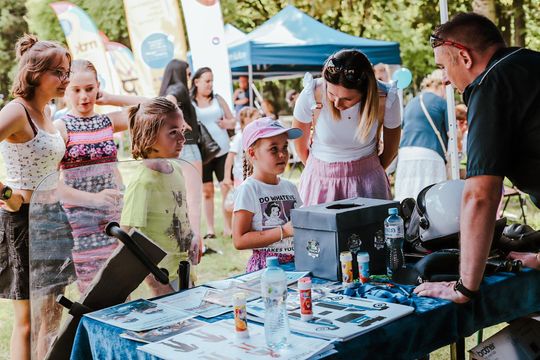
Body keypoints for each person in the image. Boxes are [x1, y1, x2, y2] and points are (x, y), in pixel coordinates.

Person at [414, 13, 540, 303]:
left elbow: (481, 194)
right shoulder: (530, 63)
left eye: (443, 66)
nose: (444, 79)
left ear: (464, 57)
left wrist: (465, 287)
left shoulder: (490, 85)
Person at [0, 34, 71, 360]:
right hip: (23, 220)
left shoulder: (49, 112)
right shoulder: (17, 111)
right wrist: (7, 195)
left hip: (53, 217)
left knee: (52, 313)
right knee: (27, 322)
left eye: (66, 71)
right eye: (58, 72)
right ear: (34, 73)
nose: (65, 79)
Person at [54, 59, 146, 293]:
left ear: (98, 87)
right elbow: (51, 185)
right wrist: (93, 199)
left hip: (114, 217)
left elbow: (155, 106)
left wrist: (111, 98)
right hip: (80, 224)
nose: (84, 96)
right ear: (65, 90)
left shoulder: (108, 121)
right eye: (76, 90)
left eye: (89, 89)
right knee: (93, 292)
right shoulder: (61, 128)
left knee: (121, 285)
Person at [292, 49, 401, 205]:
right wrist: (321, 171)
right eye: (331, 94)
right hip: (320, 181)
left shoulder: (386, 98)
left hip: (368, 181)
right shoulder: (312, 93)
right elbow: (299, 145)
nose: (337, 103)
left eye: (347, 99)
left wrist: (368, 170)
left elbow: (391, 149)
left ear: (366, 92)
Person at [120, 97, 199, 296]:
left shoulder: (177, 169)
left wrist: (192, 237)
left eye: (182, 130)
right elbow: (128, 239)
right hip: (161, 276)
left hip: (183, 270)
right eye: (173, 133)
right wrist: (155, 283)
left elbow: (179, 214)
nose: (182, 139)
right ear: (150, 136)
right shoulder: (143, 182)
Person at [232, 117, 303, 272]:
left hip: (298, 264)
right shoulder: (249, 190)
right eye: (273, 149)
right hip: (266, 269)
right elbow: (239, 239)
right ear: (252, 153)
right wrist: (283, 231)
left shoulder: (290, 187)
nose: (283, 154)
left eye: (285, 147)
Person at [159, 59, 203, 255]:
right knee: (193, 197)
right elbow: (169, 101)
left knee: (178, 198)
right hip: (189, 148)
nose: (189, 78)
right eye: (188, 73)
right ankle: (195, 239)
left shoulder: (170, 87)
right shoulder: (178, 88)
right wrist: (180, 119)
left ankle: (183, 237)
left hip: (175, 149)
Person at [191, 67, 236, 239]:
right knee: (207, 191)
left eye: (212, 81)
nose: (210, 85)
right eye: (207, 81)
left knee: (226, 186)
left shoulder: (218, 99)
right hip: (203, 153)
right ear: (196, 82)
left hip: (223, 150)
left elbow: (233, 121)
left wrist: (227, 124)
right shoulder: (191, 103)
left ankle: (228, 227)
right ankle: (210, 229)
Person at [394, 70, 448, 201]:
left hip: (405, 154)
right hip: (431, 153)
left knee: (407, 195)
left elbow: (402, 131)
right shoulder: (441, 102)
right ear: (440, 85)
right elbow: (450, 133)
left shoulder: (411, 102)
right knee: (431, 197)